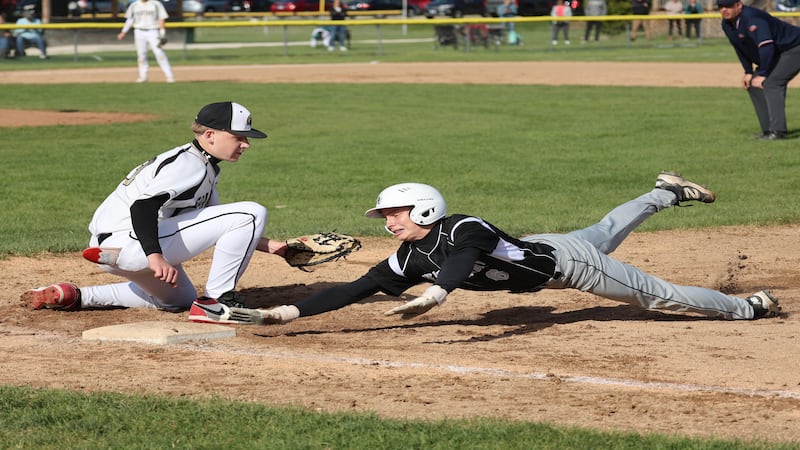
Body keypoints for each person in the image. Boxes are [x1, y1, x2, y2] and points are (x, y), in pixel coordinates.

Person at [204, 173, 780, 326]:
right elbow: (354, 289)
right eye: (384, 215)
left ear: (425, 211)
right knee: (606, 226)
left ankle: (747, 307)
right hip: (548, 249)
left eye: (395, 213)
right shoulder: (406, 259)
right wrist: (285, 312)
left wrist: (436, 294)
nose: (388, 222)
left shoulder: (462, 228)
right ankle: (664, 192)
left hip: (570, 269)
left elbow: (460, 262)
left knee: (657, 298)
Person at [21, 101, 290, 317]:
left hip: (120, 249)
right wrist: (155, 257)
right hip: (136, 243)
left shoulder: (203, 165)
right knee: (252, 211)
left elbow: (219, 227)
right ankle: (218, 300)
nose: (246, 144)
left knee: (180, 300)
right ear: (210, 135)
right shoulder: (188, 164)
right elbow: (142, 207)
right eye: (238, 137)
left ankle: (74, 295)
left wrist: (277, 247)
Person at [719, 0, 800, 140]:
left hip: (794, 47)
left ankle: (778, 132)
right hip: (780, 51)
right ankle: (768, 130)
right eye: (721, 6)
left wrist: (763, 73)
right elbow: (740, 47)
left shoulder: (752, 17)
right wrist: (748, 71)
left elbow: (766, 46)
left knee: (772, 83)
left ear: (739, 5)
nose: (724, 9)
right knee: (753, 85)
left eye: (729, 6)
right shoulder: (727, 24)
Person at [117, 0, 175, 83]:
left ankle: (169, 76)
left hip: (153, 31)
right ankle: (143, 76)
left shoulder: (155, 4)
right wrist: (123, 32)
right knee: (141, 55)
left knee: (159, 53)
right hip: (139, 31)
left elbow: (161, 18)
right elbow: (130, 20)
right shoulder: (134, 5)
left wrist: (162, 33)